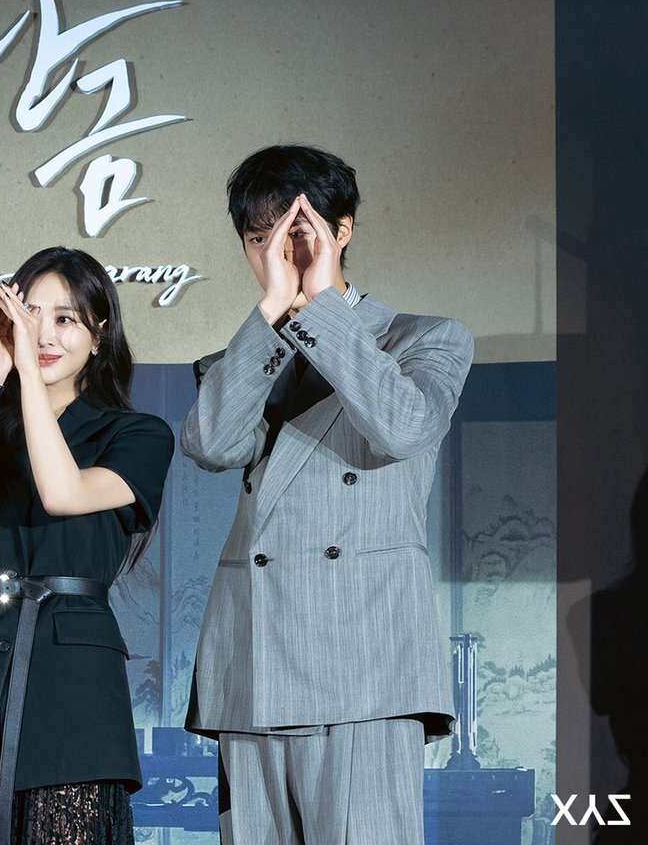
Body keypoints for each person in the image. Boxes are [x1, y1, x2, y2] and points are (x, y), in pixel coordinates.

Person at [181, 146, 474, 844]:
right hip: (253, 659)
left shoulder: (424, 340)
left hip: (366, 661)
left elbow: (402, 428)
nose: (277, 252)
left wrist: (320, 303)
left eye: (296, 232)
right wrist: (273, 312)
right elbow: (211, 445)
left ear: (342, 230)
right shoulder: (240, 360)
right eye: (259, 238)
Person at [0, 246, 175, 845]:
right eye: (30, 315)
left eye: (65, 319)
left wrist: (26, 365)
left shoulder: (137, 435)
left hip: (73, 677)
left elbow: (63, 492)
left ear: (99, 335)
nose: (43, 335)